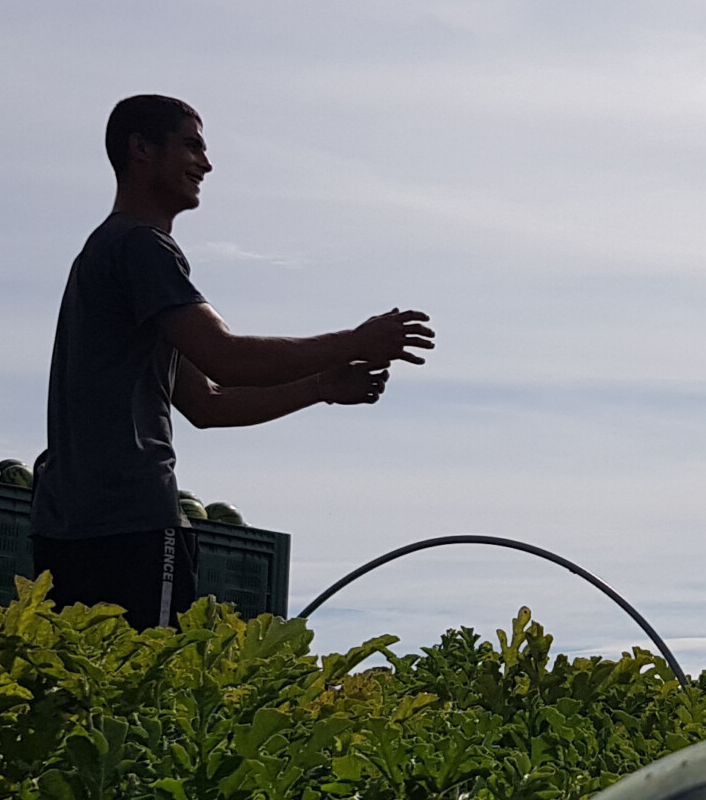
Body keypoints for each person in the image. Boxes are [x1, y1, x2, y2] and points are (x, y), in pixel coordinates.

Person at [32, 94, 435, 630]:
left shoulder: (105, 252)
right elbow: (226, 358)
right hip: (130, 523)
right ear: (141, 149)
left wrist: (322, 385)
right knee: (144, 696)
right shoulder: (141, 247)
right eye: (192, 145)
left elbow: (206, 402)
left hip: (70, 525)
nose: (206, 163)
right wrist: (356, 340)